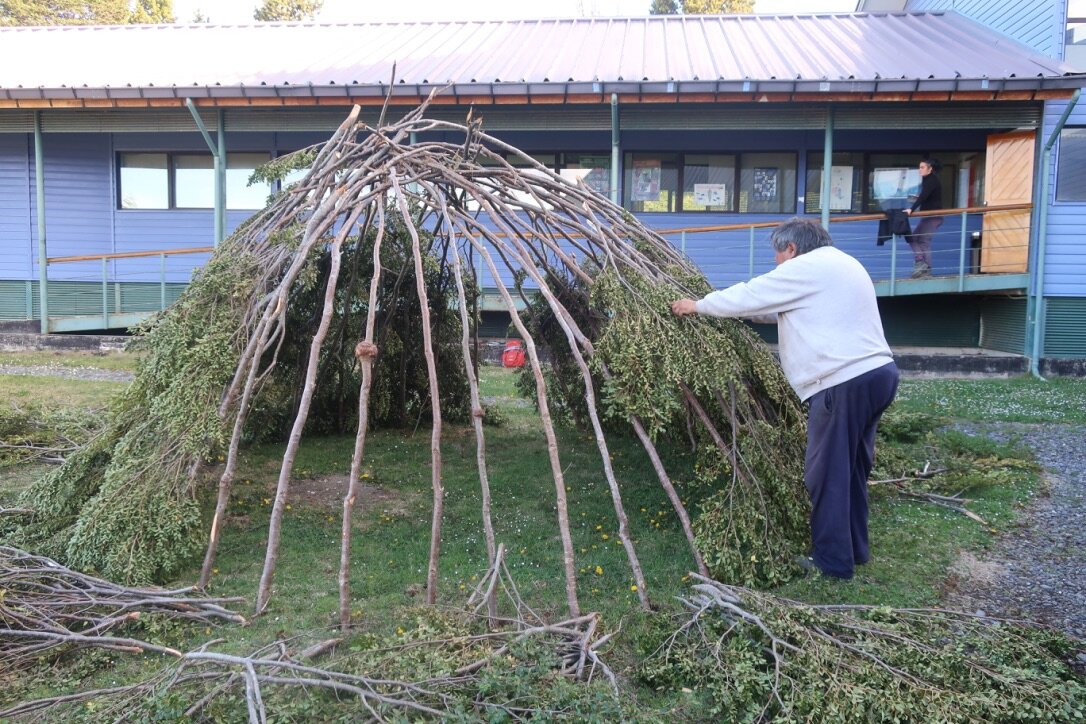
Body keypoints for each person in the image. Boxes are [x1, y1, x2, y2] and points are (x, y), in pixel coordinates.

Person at [671, 218, 899, 580]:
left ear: (791, 248)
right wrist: (731, 312)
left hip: (841, 383)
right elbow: (775, 308)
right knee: (853, 468)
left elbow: (751, 292)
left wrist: (698, 306)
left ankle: (832, 563)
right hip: (879, 375)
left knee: (826, 474)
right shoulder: (842, 264)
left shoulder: (806, 267)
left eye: (777, 254)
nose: (776, 262)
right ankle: (855, 549)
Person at [903, 157, 943, 278]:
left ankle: (924, 267)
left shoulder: (932, 180)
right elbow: (925, 197)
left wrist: (911, 209)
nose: (919, 170)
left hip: (933, 217)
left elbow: (923, 197)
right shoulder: (928, 180)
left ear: (930, 169)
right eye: (919, 167)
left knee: (923, 242)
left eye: (922, 167)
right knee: (912, 238)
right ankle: (922, 264)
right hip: (927, 216)